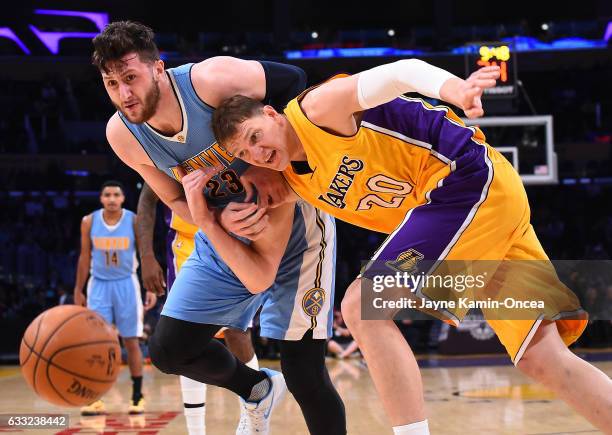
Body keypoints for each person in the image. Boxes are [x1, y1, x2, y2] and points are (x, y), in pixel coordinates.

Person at [211, 59, 612, 434]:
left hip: (465, 181)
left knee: (361, 306)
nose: (258, 154)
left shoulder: (317, 109)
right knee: (541, 357)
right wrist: (209, 207)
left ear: (270, 114)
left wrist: (454, 87)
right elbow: (240, 196)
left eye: (254, 137)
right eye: (245, 154)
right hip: (483, 217)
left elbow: (401, 72)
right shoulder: (293, 180)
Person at [92, 21, 345, 435]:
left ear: (158, 68)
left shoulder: (211, 81)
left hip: (292, 221)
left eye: (131, 78)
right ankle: (257, 388)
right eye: (111, 83)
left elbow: (296, 82)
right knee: (170, 349)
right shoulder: (123, 134)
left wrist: (270, 166)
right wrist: (217, 219)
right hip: (222, 230)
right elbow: (173, 198)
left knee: (304, 371)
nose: (124, 94)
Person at [137, 183, 259, 435]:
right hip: (186, 245)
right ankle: (196, 431)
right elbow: (148, 199)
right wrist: (146, 256)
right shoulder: (166, 148)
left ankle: (254, 415)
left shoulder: (225, 146)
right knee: (184, 339)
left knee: (238, 333)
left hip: (230, 239)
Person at [73, 180, 156, 415]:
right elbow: (84, 256)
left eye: (115, 194)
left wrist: (149, 287)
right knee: (97, 343)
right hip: (98, 285)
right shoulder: (88, 222)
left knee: (131, 341)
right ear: (101, 198)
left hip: (126, 284)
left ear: (122, 198)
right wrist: (78, 289)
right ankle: (94, 397)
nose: (111, 198)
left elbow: (145, 254)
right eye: (107, 194)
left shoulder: (133, 220)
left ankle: (137, 396)